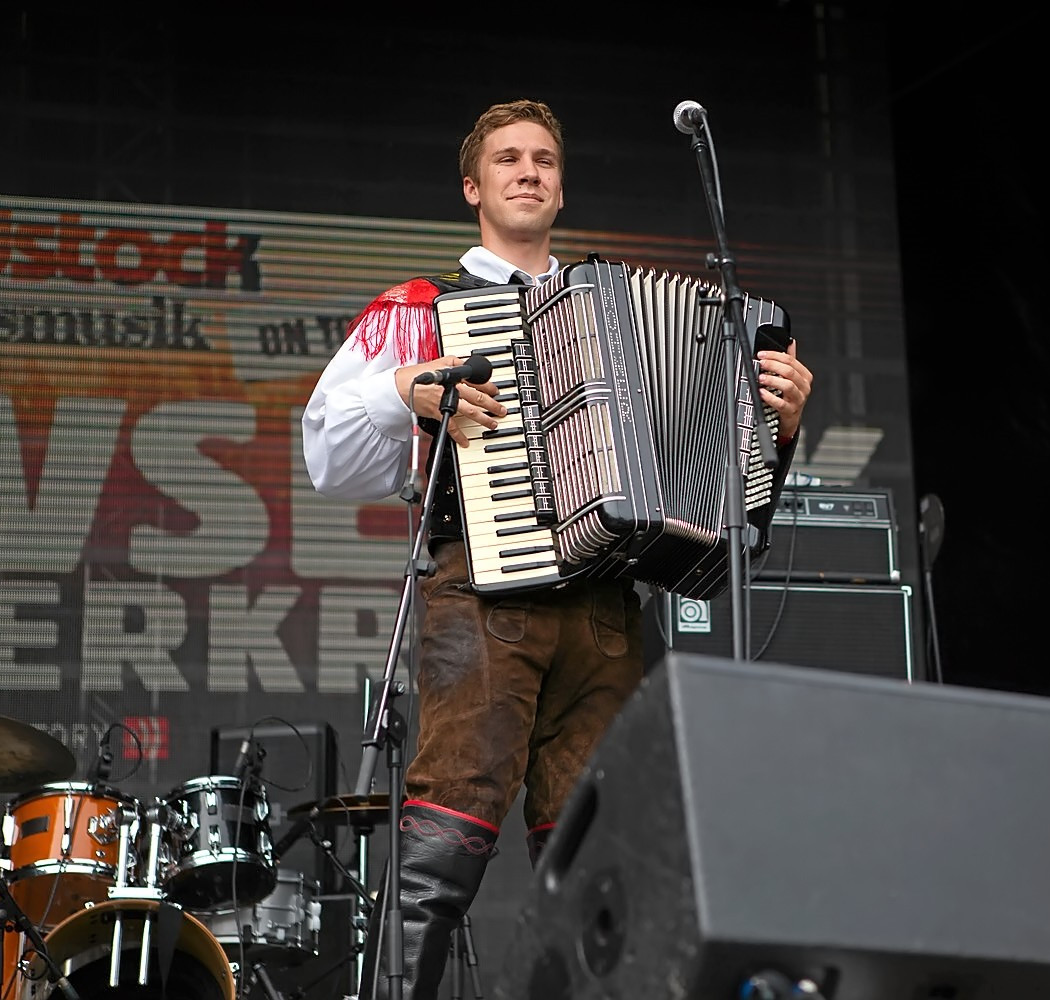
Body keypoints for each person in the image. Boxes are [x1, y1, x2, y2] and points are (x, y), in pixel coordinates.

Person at [300, 98, 813, 1000]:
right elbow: (328, 457)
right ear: (473, 187)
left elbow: (721, 474)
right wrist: (403, 387)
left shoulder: (621, 304)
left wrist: (783, 425)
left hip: (608, 612)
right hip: (483, 601)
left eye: (543, 158)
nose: (528, 170)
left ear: (561, 186)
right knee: (447, 835)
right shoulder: (426, 310)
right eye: (507, 159)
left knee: (599, 861)